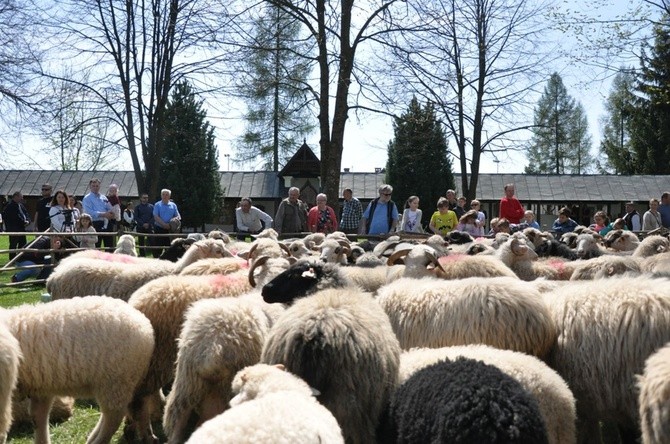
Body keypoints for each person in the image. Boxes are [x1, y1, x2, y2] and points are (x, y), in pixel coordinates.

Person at [82, 178, 114, 250]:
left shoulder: (104, 197)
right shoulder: (87, 198)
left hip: (106, 222)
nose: (95, 188)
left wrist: (111, 213)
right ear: (90, 187)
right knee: (97, 245)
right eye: (93, 186)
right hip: (95, 223)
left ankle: (109, 260)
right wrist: (103, 214)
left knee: (109, 245)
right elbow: (89, 212)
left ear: (99, 186)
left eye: (97, 186)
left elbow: (108, 207)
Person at [2, 191, 31, 259]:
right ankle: (12, 260)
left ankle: (21, 258)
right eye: (21, 197)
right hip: (14, 229)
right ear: (16, 197)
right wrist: (24, 222)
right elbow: (15, 217)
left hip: (22, 228)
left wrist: (28, 221)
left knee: (23, 244)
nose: (22, 198)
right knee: (13, 245)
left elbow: (26, 214)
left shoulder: (21, 205)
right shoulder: (10, 206)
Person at [153, 188, 181, 257]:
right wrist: (164, 224)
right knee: (158, 247)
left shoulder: (173, 205)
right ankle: (157, 261)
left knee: (169, 247)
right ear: (161, 195)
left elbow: (178, 216)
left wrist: (172, 222)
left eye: (166, 194)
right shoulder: (157, 205)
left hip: (170, 229)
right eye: (163, 194)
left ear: (169, 196)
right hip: (159, 228)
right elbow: (156, 216)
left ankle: (168, 260)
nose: (165, 196)